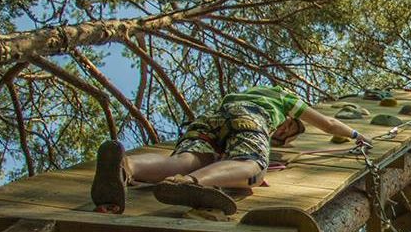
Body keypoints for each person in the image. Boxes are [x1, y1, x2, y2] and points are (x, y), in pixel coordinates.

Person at [91, 85, 371, 215]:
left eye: (283, 138)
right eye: (287, 129)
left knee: (189, 159)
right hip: (250, 118)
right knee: (252, 165)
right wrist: (357, 134)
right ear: (289, 119)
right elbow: (330, 124)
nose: (281, 134)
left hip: (211, 119)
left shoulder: (237, 94)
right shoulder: (285, 98)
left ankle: (127, 167)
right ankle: (191, 184)